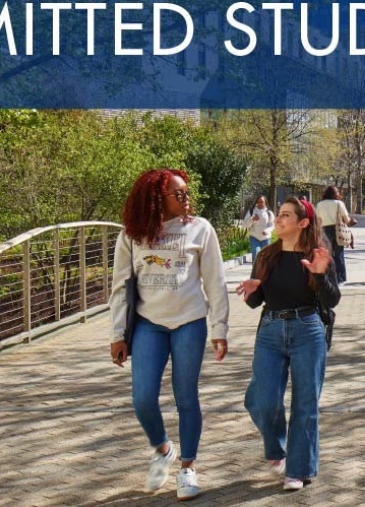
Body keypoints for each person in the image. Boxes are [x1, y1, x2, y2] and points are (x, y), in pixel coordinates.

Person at [108, 169, 230, 501]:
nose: (186, 199)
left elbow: (215, 282)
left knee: (185, 396)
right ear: (156, 200)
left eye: (187, 193)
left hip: (190, 322)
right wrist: (117, 334)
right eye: (179, 194)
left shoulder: (200, 229)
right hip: (149, 324)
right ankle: (163, 449)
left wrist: (220, 328)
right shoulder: (132, 235)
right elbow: (120, 287)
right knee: (143, 397)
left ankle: (188, 467)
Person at [236, 197, 340, 491]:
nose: (278, 220)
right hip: (270, 331)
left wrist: (319, 275)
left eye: (285, 215)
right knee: (261, 400)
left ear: (303, 222)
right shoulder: (266, 256)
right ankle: (277, 448)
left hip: (307, 330)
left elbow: (332, 299)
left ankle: (298, 470)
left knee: (305, 404)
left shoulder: (318, 255)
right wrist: (251, 291)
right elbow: (256, 301)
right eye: (279, 214)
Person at [316, 186, 356, 285]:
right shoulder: (339, 203)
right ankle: (340, 279)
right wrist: (352, 221)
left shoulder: (320, 205)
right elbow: (346, 219)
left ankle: (329, 278)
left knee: (327, 255)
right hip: (338, 230)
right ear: (336, 194)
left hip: (324, 230)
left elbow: (318, 220)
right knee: (339, 255)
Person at [245, 196, 275, 263]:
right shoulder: (251, 211)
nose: (260, 203)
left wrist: (267, 231)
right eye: (258, 202)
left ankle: (265, 269)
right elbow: (245, 224)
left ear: (265, 202)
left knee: (266, 257)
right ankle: (255, 269)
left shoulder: (269, 213)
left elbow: (272, 225)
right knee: (256, 255)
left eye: (261, 202)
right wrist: (252, 220)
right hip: (254, 237)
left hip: (266, 239)